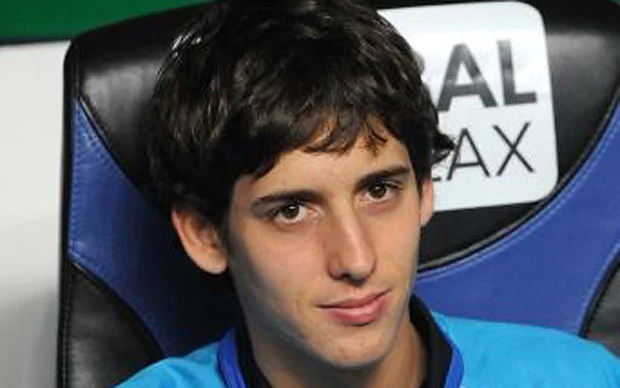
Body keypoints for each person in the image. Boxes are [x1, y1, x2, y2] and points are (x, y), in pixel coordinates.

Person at [120, 0, 620, 386]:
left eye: (379, 189)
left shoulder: (583, 378)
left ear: (425, 190)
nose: (356, 259)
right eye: (292, 210)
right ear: (205, 234)